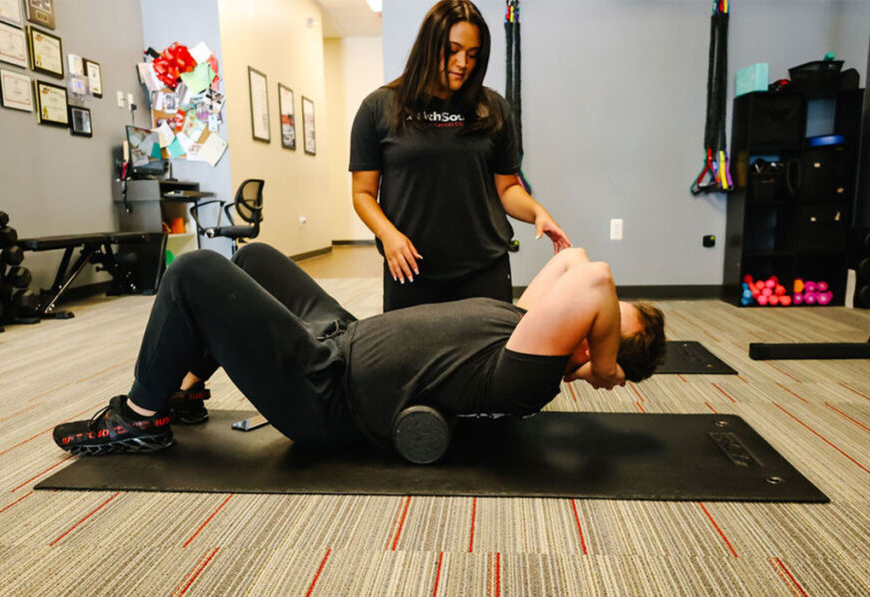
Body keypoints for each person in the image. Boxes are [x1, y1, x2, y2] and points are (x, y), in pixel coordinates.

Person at [52, 244, 666, 455]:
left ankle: (137, 419)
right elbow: (574, 262)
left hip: (325, 392)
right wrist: (604, 345)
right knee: (254, 260)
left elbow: (593, 280)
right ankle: (183, 391)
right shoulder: (531, 324)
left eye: (610, 325)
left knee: (193, 272)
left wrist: (604, 367)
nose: (596, 318)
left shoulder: (533, 378)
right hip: (342, 336)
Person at [350, 0, 571, 312]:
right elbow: (362, 193)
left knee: (486, 358)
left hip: (483, 268)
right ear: (428, 45)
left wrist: (537, 212)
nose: (462, 62)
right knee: (415, 359)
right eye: (452, 50)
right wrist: (388, 235)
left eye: (472, 54)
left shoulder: (494, 109)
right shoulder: (379, 108)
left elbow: (506, 188)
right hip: (410, 266)